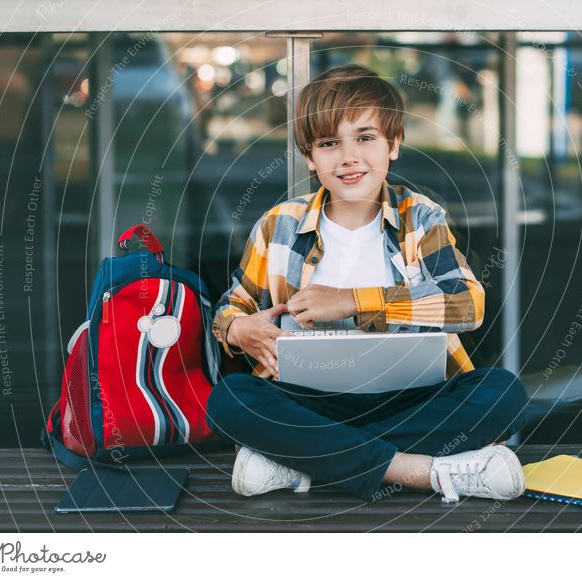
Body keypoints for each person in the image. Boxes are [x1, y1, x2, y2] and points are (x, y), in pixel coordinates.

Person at [207, 64, 528, 504]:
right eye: (328, 144)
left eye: (365, 138)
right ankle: (430, 472)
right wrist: (236, 329)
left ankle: (302, 461)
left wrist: (351, 301)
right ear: (309, 156)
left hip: (408, 399)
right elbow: (231, 306)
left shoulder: (421, 216)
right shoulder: (278, 224)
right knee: (231, 400)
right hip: (309, 401)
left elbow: (466, 304)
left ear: (393, 144)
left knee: (502, 392)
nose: (348, 157)